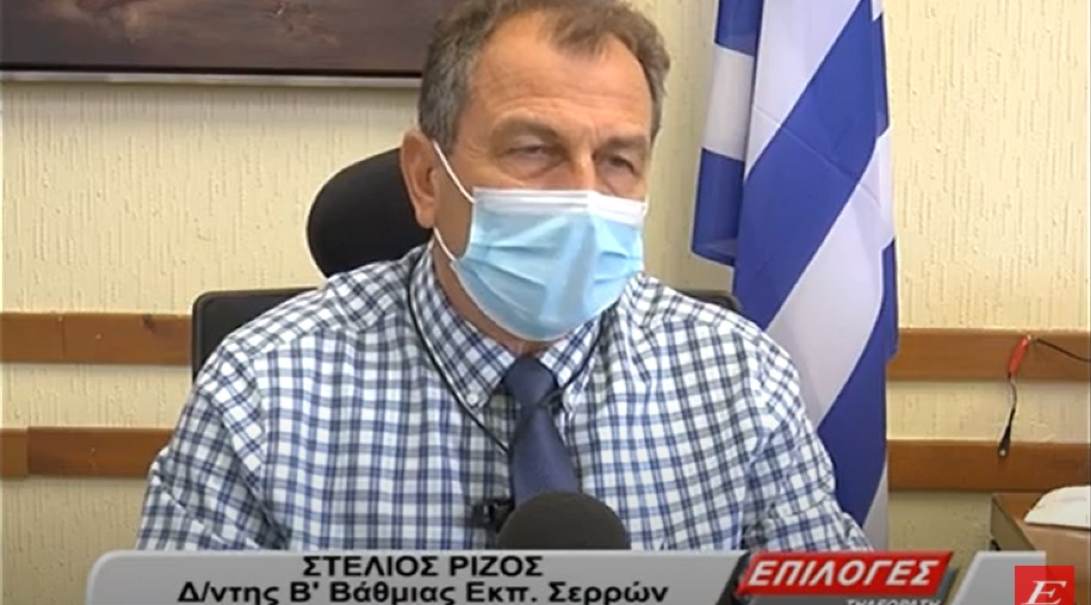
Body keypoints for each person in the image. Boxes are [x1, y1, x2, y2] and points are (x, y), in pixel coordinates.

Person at [137, 0, 868, 551]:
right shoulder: (263, 388)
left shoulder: (740, 376)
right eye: (533, 150)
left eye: (618, 160)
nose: (582, 194)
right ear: (427, 179)